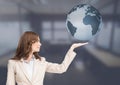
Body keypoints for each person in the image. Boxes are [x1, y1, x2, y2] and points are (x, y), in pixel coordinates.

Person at [6, 31, 88, 85]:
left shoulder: (41, 61)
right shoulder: (13, 63)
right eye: (37, 41)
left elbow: (61, 68)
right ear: (29, 43)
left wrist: (71, 49)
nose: (40, 44)